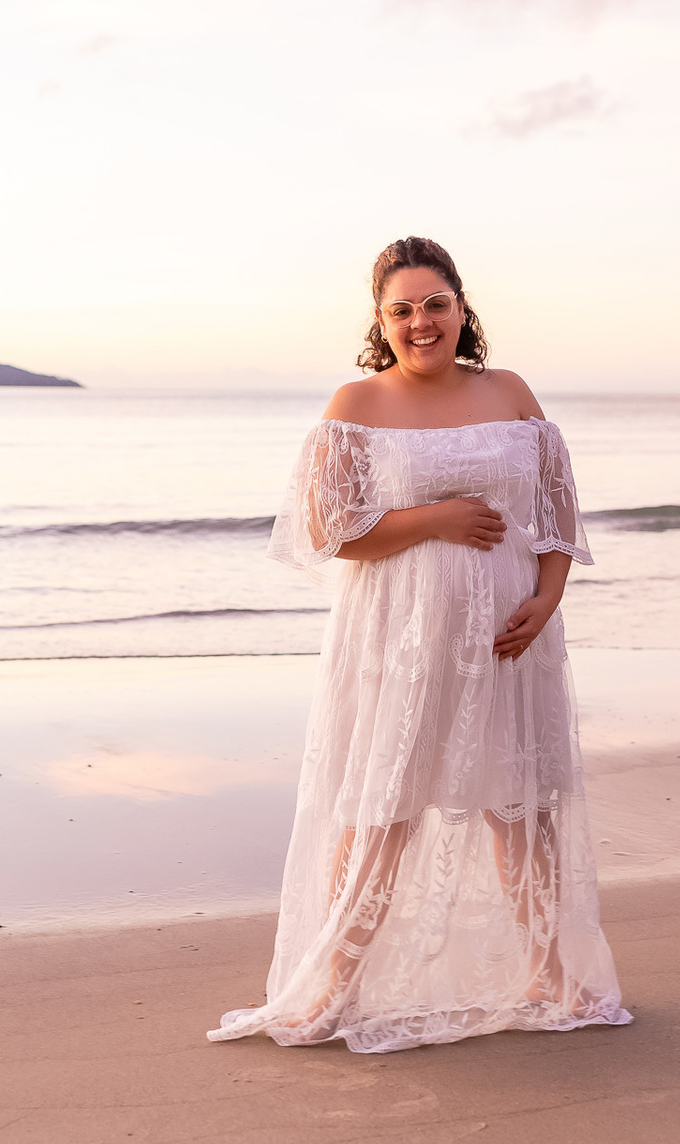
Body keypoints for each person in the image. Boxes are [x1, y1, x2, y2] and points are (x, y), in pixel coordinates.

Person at [208, 236, 631, 1054]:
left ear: (463, 308)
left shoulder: (510, 392)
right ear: (380, 321)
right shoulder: (356, 405)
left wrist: (546, 599)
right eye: (400, 310)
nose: (420, 323)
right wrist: (437, 518)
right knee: (382, 808)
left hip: (510, 638)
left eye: (435, 304)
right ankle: (332, 985)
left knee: (523, 808)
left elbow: (556, 512)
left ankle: (552, 974)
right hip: (399, 639)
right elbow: (330, 532)